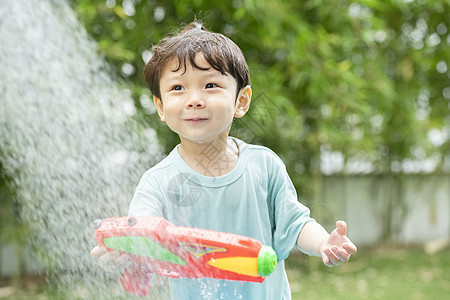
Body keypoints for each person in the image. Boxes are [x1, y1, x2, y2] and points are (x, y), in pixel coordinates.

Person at [91, 21, 357, 299]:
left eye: (210, 85)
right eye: (178, 88)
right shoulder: (158, 183)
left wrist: (325, 242)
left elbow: (295, 224)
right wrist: (125, 249)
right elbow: (144, 235)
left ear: (241, 101)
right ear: (160, 106)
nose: (194, 99)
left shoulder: (264, 166)